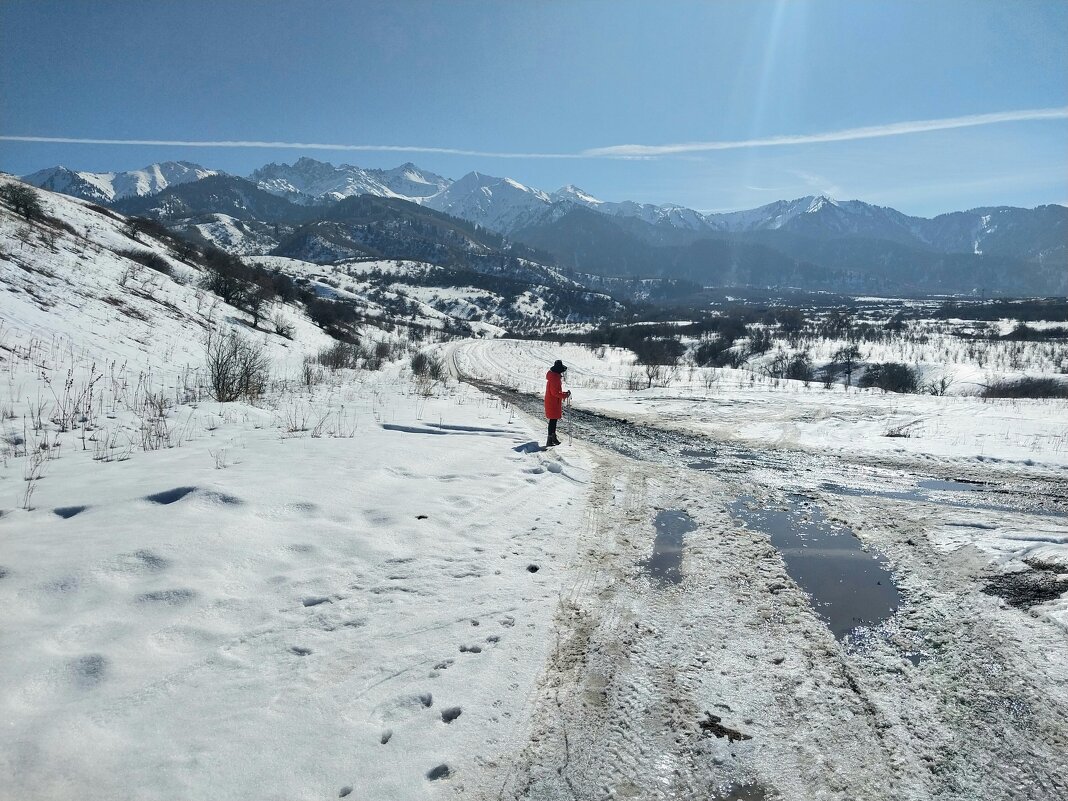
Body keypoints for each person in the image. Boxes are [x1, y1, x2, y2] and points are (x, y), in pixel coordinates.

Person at [544, 359, 571, 447]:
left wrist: (563, 394)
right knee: (553, 421)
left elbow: (555, 391)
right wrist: (565, 395)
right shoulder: (555, 378)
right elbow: (555, 393)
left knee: (553, 420)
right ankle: (550, 440)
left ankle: (552, 438)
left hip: (552, 401)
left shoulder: (554, 377)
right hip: (553, 402)